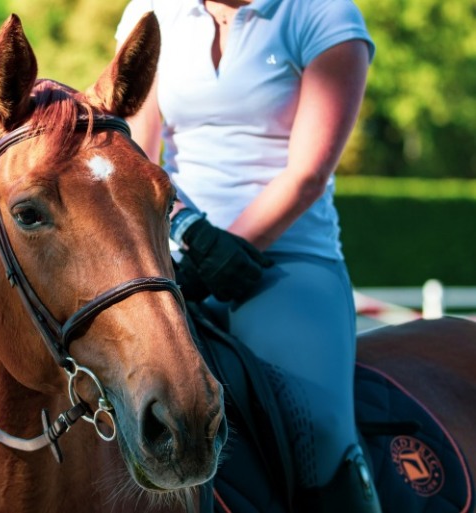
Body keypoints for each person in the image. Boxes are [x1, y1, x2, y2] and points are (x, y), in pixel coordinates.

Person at [115, 0, 378, 511]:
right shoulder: (150, 12)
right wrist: (188, 232)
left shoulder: (323, 14)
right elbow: (135, 154)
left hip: (288, 260)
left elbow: (307, 174)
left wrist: (225, 247)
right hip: (175, 258)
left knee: (318, 427)